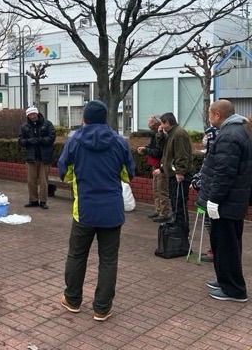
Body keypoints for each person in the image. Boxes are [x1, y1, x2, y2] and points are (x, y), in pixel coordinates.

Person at [58, 100, 135, 321]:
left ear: (84, 119)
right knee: (108, 260)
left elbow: (64, 173)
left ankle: (72, 299)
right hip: (112, 212)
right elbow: (128, 174)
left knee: (77, 255)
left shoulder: (74, 141)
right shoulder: (119, 142)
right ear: (105, 118)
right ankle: (102, 308)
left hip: (84, 211)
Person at [197, 100, 252, 303]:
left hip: (226, 203)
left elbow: (224, 173)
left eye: (209, 114)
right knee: (224, 245)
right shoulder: (236, 131)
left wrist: (214, 199)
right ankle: (225, 280)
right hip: (231, 202)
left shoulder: (229, 136)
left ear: (218, 115)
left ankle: (234, 290)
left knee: (226, 246)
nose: (208, 117)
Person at [158, 112, 194, 236]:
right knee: (175, 201)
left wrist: (180, 171)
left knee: (179, 203)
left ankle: (182, 230)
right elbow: (163, 149)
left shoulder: (179, 134)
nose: (161, 126)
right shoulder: (171, 134)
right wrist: (160, 135)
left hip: (179, 175)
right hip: (173, 174)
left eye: (162, 124)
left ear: (167, 123)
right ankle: (178, 226)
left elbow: (181, 154)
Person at [18, 106, 56, 209]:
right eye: (30, 115)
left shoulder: (47, 124)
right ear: (28, 116)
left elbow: (52, 137)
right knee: (31, 181)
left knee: (44, 181)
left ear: (37, 114)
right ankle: (33, 200)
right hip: (31, 157)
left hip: (44, 158)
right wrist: (28, 141)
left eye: (34, 114)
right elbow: (20, 141)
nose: (32, 116)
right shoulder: (24, 127)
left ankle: (43, 201)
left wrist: (40, 140)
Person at [191, 125, 218, 262]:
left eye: (207, 137)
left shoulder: (215, 156)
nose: (204, 139)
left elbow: (211, 176)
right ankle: (214, 249)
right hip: (206, 194)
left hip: (210, 196)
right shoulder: (209, 154)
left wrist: (197, 183)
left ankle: (216, 251)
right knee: (209, 224)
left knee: (212, 225)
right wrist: (196, 179)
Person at [137, 115, 171, 222]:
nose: (148, 124)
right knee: (155, 189)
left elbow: (158, 152)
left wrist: (147, 150)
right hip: (155, 165)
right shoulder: (154, 135)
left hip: (161, 166)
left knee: (162, 190)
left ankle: (164, 212)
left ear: (157, 125)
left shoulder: (162, 136)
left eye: (151, 122)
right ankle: (158, 210)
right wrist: (145, 148)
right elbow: (152, 147)